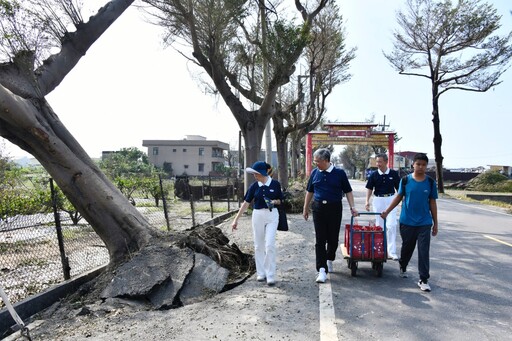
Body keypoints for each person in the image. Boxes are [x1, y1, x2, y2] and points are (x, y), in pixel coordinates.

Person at [381, 153, 438, 292]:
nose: (421, 167)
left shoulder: (430, 183)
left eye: (424, 165)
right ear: (413, 165)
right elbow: (399, 197)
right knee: (408, 247)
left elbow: (432, 202)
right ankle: (403, 264)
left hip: (424, 222)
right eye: (418, 164)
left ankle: (424, 279)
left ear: (426, 166)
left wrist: (436, 223)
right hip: (407, 221)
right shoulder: (405, 180)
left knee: (424, 250)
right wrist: (387, 211)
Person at [303, 148, 357, 283]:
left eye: (318, 161)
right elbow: (309, 191)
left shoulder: (339, 173)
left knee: (332, 239)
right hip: (318, 208)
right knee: (320, 239)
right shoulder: (315, 173)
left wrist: (352, 207)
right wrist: (305, 208)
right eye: (315, 161)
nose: (316, 164)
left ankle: (329, 258)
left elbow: (348, 191)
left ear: (327, 160)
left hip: (334, 208)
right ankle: (321, 269)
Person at [232, 161, 284, 286]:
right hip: (258, 215)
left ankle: (270, 274)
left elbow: (281, 200)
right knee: (258, 245)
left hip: (272, 215)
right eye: (253, 173)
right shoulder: (254, 186)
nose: (254, 176)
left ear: (262, 173)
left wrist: (274, 201)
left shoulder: (275, 184)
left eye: (256, 173)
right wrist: (236, 219)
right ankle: (261, 272)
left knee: (270, 245)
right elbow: (246, 203)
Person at [365, 153, 400, 260]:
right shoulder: (374, 175)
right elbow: (370, 189)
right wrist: (367, 201)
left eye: (380, 161)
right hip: (378, 200)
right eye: (377, 162)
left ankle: (392, 252)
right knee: (379, 226)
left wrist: (402, 200)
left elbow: (399, 189)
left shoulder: (393, 174)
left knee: (391, 225)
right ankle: (379, 249)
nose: (378, 164)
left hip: (391, 200)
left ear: (386, 161)